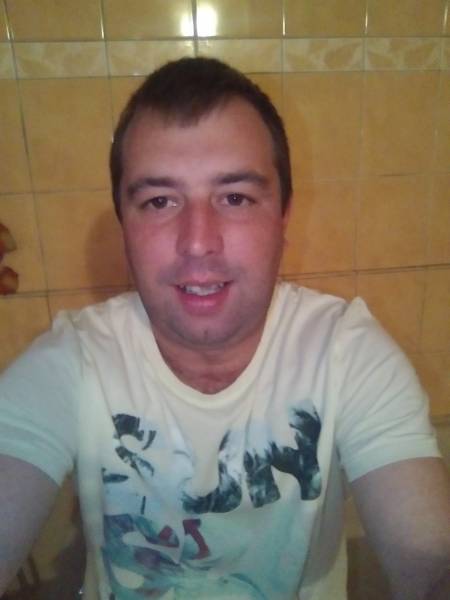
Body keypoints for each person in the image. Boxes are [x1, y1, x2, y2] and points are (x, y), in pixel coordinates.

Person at [0, 57, 449, 600]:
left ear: (283, 215)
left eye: (235, 197)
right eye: (159, 201)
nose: (197, 241)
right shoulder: (72, 360)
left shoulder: (346, 353)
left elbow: (428, 557)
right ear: (124, 223)